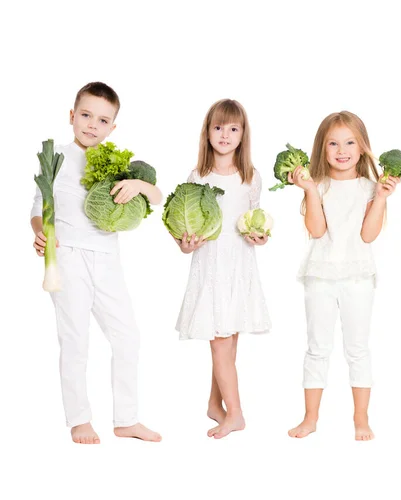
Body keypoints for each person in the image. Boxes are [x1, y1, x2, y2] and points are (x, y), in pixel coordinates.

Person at [31, 82, 162, 444]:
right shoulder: (54, 156)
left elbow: (158, 195)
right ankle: (79, 420)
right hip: (68, 256)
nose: (92, 124)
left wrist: (139, 185)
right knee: (75, 340)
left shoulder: (116, 163)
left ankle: (126, 420)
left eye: (103, 119)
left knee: (127, 337)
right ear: (72, 116)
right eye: (86, 115)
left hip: (108, 259)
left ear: (112, 128)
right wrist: (42, 233)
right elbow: (37, 210)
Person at [287, 111, 400, 440]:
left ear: (363, 147)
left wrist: (380, 198)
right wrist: (308, 190)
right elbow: (317, 230)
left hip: (357, 276)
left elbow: (368, 235)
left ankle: (361, 418)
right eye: (333, 143)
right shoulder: (317, 185)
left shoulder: (371, 187)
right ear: (322, 149)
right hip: (320, 275)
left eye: (350, 142)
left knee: (358, 348)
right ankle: (310, 418)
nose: (342, 149)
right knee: (317, 347)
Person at [174, 99, 271, 439]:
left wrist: (260, 237)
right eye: (218, 127)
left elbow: (254, 219)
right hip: (211, 265)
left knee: (228, 344)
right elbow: (183, 229)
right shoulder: (197, 176)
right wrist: (184, 244)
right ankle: (237, 415)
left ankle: (216, 405)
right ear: (207, 132)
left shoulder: (250, 176)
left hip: (240, 266)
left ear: (243, 134)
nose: (225, 135)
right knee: (219, 341)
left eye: (233, 128)